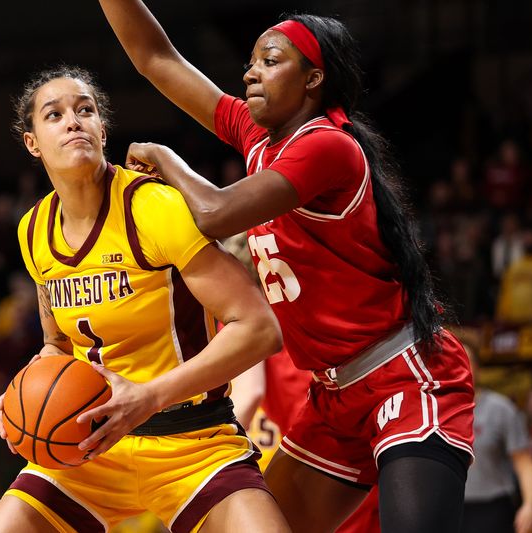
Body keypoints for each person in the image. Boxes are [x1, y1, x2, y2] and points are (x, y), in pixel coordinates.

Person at [98, 2, 476, 531]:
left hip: (403, 377)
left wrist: (165, 158)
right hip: (332, 398)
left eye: (269, 60)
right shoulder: (259, 141)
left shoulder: (327, 145)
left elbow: (215, 212)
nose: (250, 71)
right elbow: (154, 56)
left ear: (313, 80)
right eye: (250, 61)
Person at [0, 65, 290, 533]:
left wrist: (145, 399)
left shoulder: (152, 207)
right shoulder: (34, 230)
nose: (73, 121)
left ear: (103, 129)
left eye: (85, 111)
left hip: (193, 440)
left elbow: (259, 328)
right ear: (32, 143)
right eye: (55, 114)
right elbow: (57, 345)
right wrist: (22, 395)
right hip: (89, 449)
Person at [462, 344, 532, 533]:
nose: (461, 367)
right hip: (451, 507)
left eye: (467, 362)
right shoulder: (436, 410)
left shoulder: (500, 409)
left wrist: (530, 505)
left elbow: (525, 463)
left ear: (478, 368)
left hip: (493, 509)